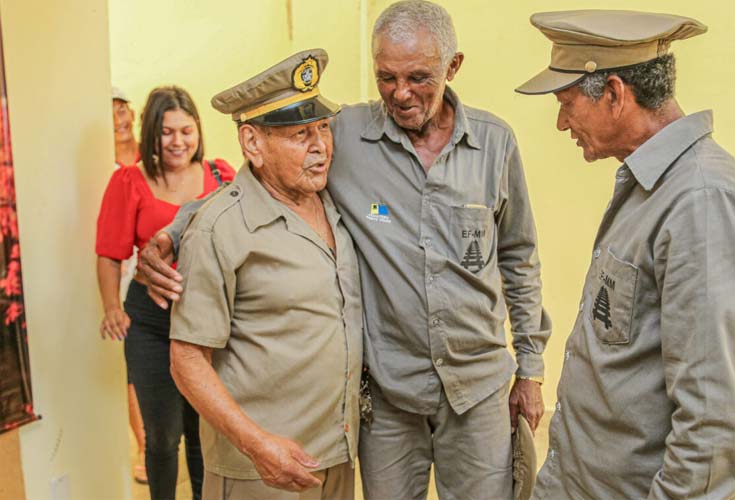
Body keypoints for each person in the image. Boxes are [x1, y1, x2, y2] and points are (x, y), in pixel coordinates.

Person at [140, 2, 550, 498]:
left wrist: (530, 367)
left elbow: (519, 258)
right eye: (386, 77)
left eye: (418, 77)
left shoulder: (495, 144)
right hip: (390, 396)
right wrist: (174, 231)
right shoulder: (347, 133)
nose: (400, 93)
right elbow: (252, 183)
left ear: (453, 66)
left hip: (477, 388)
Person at [515, 10, 735, 499]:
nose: (560, 123)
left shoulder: (703, 203)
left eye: (566, 103)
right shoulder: (653, 188)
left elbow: (708, 429)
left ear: (615, 94)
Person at [168, 48, 362, 500]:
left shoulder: (337, 201)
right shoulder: (220, 229)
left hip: (335, 453)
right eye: (300, 134)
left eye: (323, 129)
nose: (321, 146)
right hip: (262, 470)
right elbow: (187, 359)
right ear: (253, 143)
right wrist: (257, 446)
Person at [96, 85, 235, 500]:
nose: (178, 141)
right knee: (161, 436)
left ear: (198, 131)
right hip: (151, 320)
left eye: (186, 131)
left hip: (205, 318)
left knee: (201, 432)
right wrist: (110, 308)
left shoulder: (220, 176)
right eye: (168, 132)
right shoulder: (130, 181)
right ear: (152, 133)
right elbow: (108, 253)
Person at [109, 85, 146, 484]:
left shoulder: (149, 158)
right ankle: (146, 444)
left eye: (124, 109)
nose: (120, 118)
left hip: (164, 271)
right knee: (135, 368)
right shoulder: (100, 167)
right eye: (111, 111)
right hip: (124, 278)